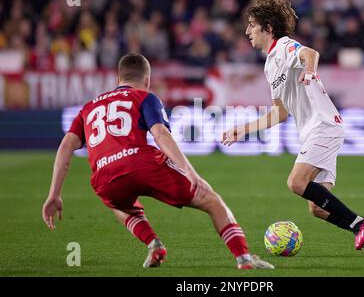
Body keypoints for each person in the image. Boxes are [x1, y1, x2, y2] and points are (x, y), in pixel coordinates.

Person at [42, 53, 274, 269]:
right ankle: (243, 257)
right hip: (142, 164)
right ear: (148, 79)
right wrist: (191, 173)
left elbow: (66, 147)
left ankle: (154, 245)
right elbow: (160, 134)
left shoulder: (88, 108)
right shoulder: (144, 97)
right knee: (212, 200)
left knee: (118, 204)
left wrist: (54, 194)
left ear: (118, 78)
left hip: (104, 176)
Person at [221, 0, 364, 257]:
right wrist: (243, 129)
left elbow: (310, 54)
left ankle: (359, 225)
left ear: (268, 28)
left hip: (324, 126)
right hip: (313, 132)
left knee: (296, 182)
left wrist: (309, 70)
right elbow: (279, 113)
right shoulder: (270, 65)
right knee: (318, 208)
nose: (247, 30)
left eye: (252, 24)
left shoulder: (283, 46)